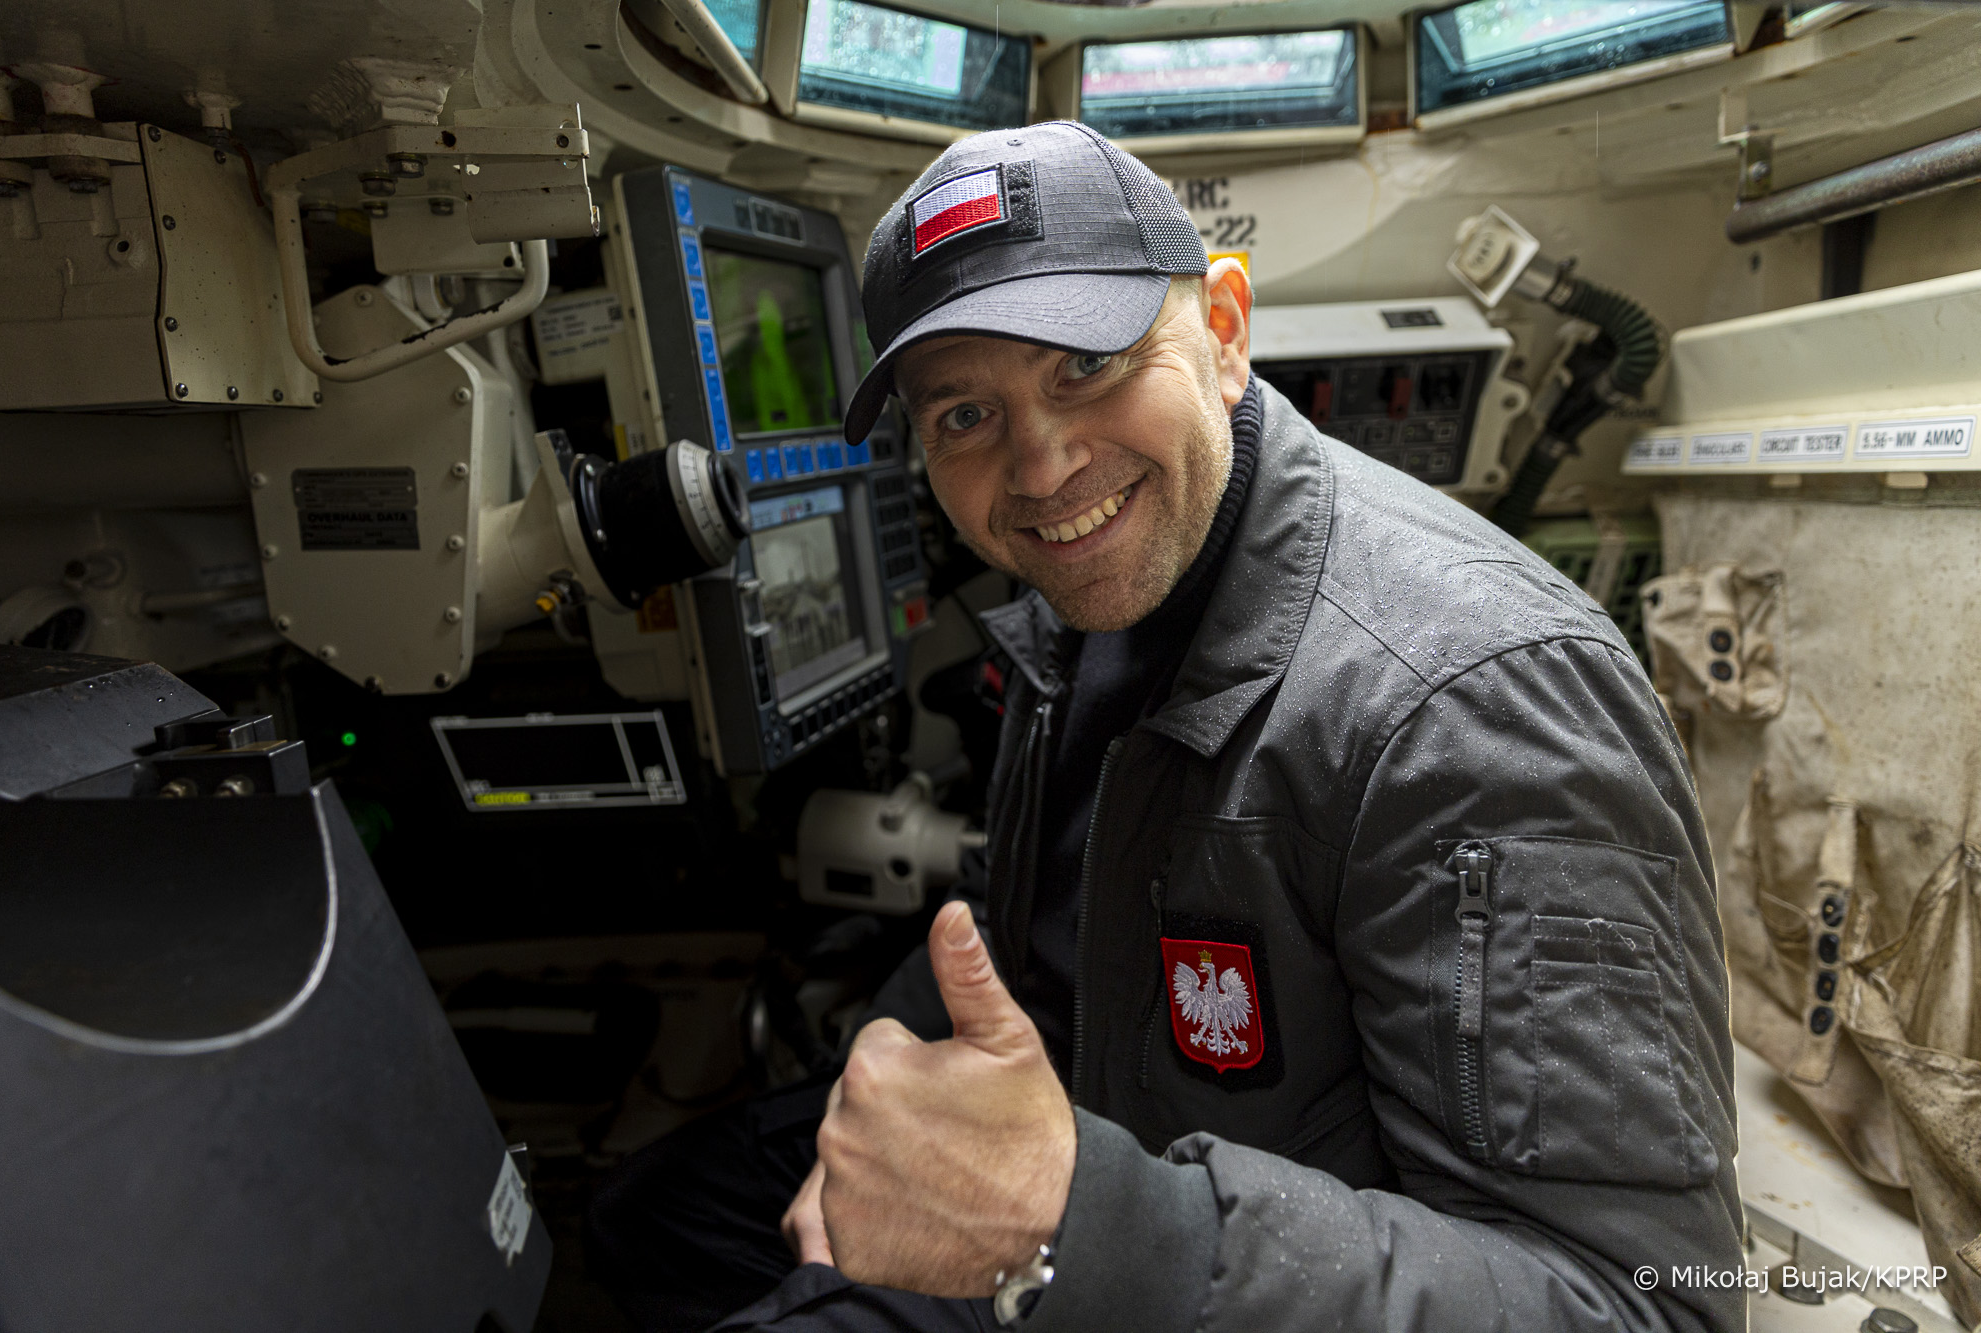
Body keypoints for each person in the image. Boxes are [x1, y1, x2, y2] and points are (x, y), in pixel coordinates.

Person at [589, 120, 1743, 1333]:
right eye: (965, 416)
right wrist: (881, 1090)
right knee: (649, 1219)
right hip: (1090, 1135)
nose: (1041, 470)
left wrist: (1074, 1219)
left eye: (1086, 366)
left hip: (1189, 1263)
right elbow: (1027, 928)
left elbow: (1644, 1309)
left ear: (1224, 335)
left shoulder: (1470, 702)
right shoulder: (1099, 593)